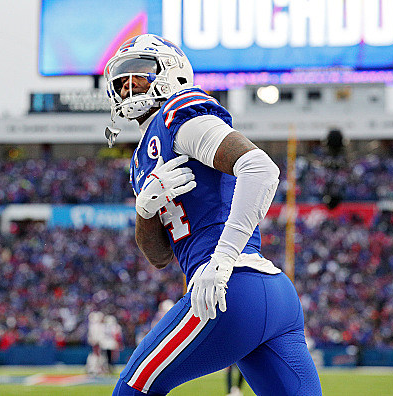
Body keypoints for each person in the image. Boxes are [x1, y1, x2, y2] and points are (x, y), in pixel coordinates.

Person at [104, 34, 322, 396]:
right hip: (271, 294)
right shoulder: (141, 160)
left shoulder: (177, 113)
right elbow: (159, 257)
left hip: (229, 288)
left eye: (139, 75)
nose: (128, 88)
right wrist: (145, 209)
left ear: (170, 72)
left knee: (132, 392)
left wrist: (222, 260)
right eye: (120, 81)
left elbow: (260, 169)